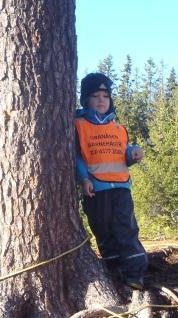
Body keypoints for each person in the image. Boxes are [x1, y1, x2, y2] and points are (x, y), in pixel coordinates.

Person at [75, 72, 148, 290]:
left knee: (126, 228)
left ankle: (135, 274)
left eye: (105, 96)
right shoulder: (78, 124)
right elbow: (77, 155)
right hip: (96, 189)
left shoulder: (118, 127)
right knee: (104, 230)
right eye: (95, 96)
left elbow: (121, 155)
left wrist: (132, 153)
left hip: (121, 187)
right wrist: (83, 179)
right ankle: (114, 270)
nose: (100, 100)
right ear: (86, 99)